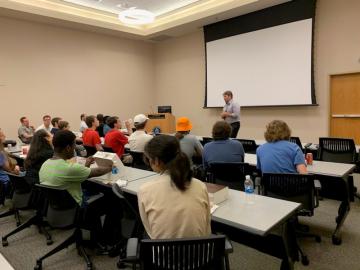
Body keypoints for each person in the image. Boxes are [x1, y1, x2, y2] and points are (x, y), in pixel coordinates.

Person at [138, 135, 211, 239]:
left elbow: (150, 231)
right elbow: (207, 227)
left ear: (157, 161)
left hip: (162, 253)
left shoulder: (144, 190)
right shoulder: (200, 185)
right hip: (200, 252)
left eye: (149, 159)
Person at [39, 130, 112, 205]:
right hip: (76, 206)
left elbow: (76, 174)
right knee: (108, 198)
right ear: (68, 148)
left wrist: (87, 164)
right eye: (74, 145)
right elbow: (98, 171)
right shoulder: (70, 168)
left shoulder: (45, 164)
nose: (75, 148)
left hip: (57, 206)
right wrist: (111, 167)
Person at [0, 129, 20, 199]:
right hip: (5, 180)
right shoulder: (1, 153)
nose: (5, 136)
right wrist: (16, 171)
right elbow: (9, 170)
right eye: (2, 135)